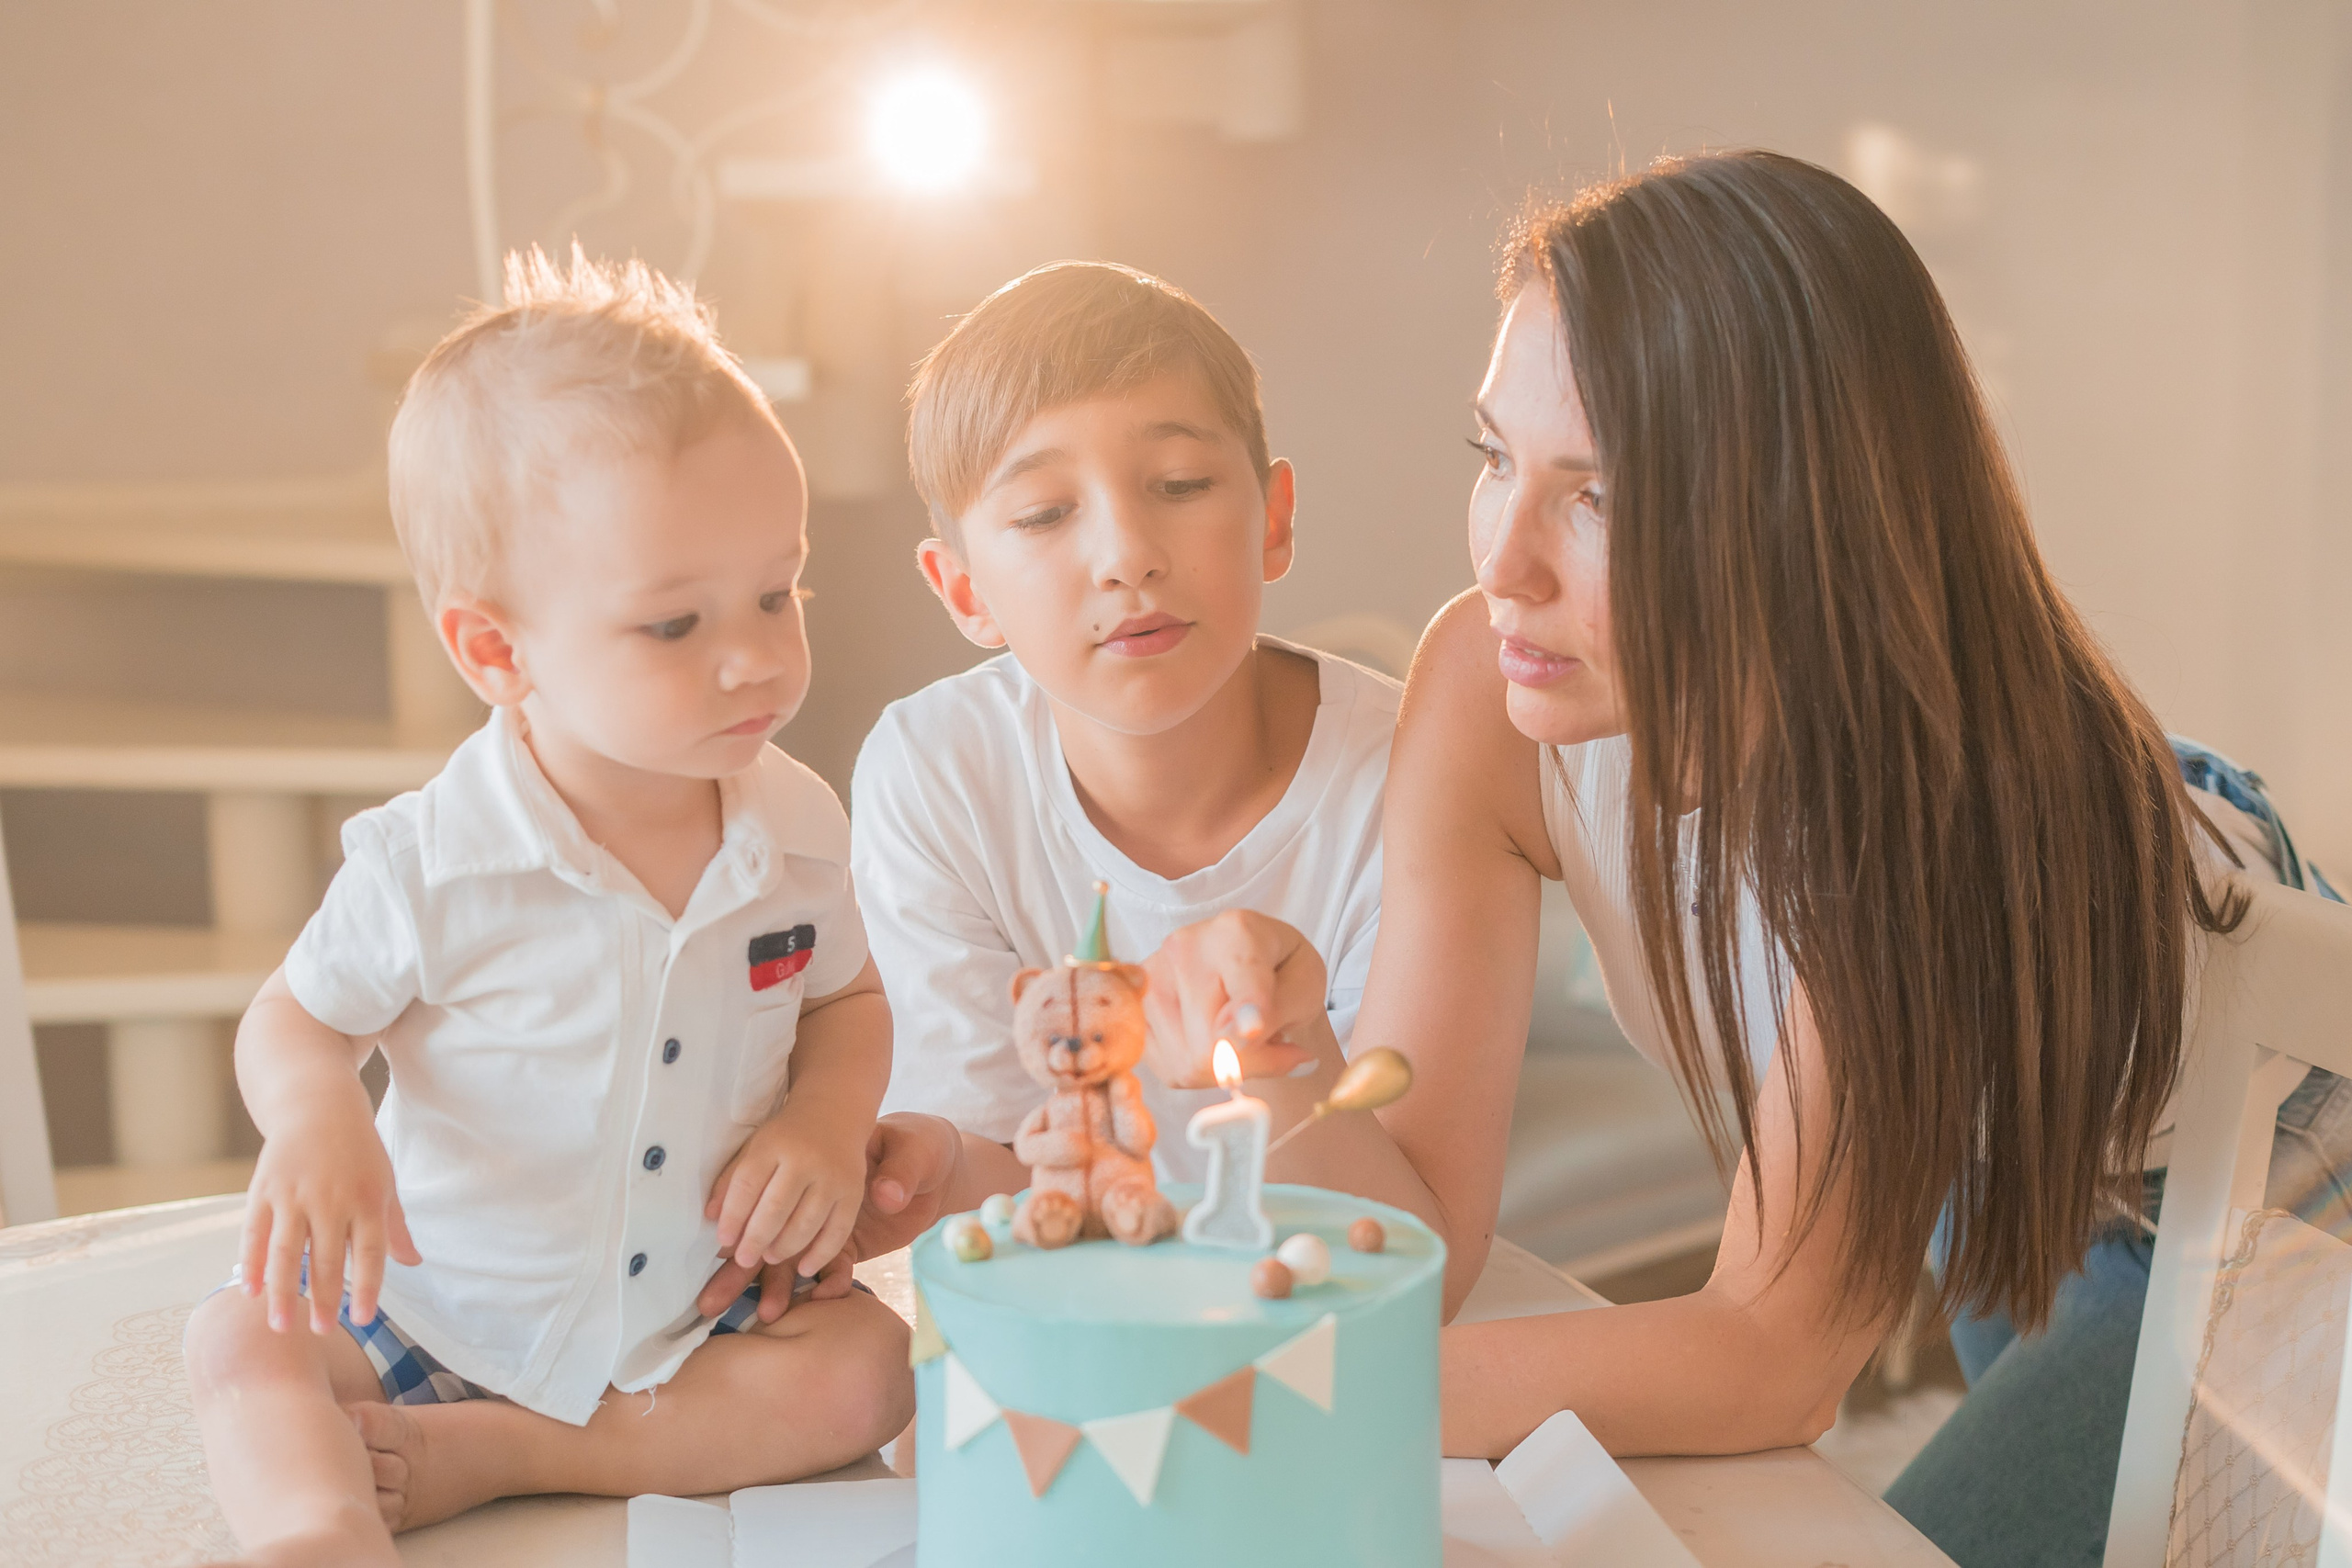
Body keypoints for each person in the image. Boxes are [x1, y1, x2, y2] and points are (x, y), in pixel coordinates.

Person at [1112, 151, 2344, 1568]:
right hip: (1997, 1145)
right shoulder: (1487, 679)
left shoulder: (1923, 822)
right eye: (1496, 457)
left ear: (1796, 515)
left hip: (2273, 1189)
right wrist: (1281, 1068)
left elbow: (1770, 1359)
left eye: (1600, 495)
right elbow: (1422, 1235)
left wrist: (1281, 1391)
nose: (1503, 557)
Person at [182, 250, 911, 1568]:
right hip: (438, 1309)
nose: (756, 653)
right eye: (675, 623)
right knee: (242, 1332)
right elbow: (293, 1016)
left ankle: (518, 1452)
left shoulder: (796, 826)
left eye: (777, 590)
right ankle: (320, 1524)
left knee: (870, 1371)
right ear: (497, 652)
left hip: (689, 1331)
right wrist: (317, 1112)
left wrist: (820, 1119)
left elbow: (848, 999)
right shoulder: (438, 860)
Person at [837, 261, 1408, 1250]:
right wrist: (929, 1170)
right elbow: (1001, 1167)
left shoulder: (1407, 776)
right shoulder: (934, 775)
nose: (1126, 555)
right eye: (1045, 514)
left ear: (1272, 520)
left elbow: (1393, 1228)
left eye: (1179, 485)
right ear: (965, 592)